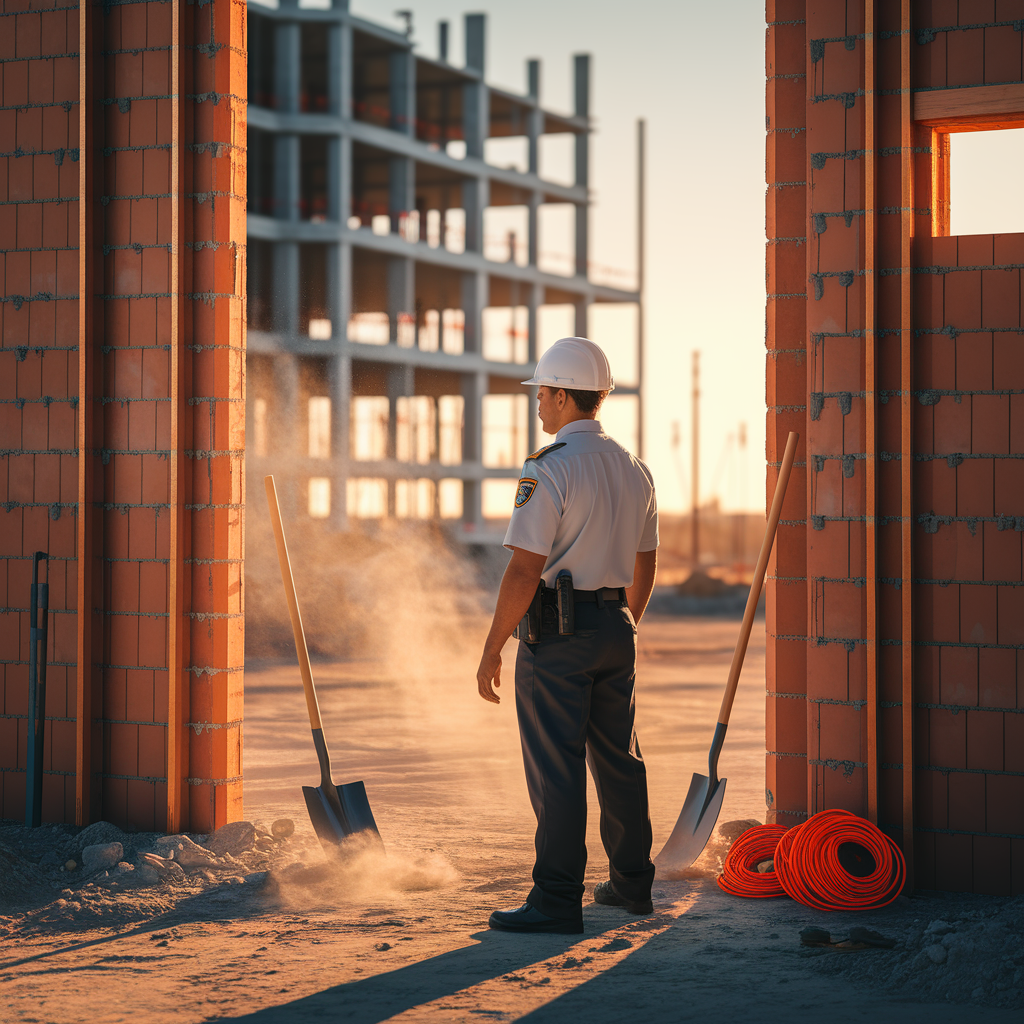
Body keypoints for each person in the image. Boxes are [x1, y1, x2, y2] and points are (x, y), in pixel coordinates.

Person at [475, 336, 659, 935]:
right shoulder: (635, 468)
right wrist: (623, 621)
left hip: (557, 636)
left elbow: (524, 569)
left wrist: (492, 647)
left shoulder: (548, 468)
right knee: (620, 760)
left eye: (542, 393)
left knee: (557, 767)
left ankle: (556, 899)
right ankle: (631, 884)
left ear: (562, 395)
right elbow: (646, 562)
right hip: (616, 625)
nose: (537, 403)